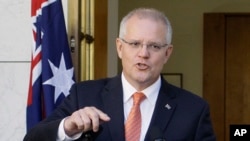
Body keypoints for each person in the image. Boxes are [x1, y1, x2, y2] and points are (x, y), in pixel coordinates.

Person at [23, 8, 216, 141]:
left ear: (167, 53)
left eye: (154, 46)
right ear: (120, 47)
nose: (143, 53)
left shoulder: (194, 110)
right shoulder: (83, 95)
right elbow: (32, 138)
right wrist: (67, 127)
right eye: (134, 44)